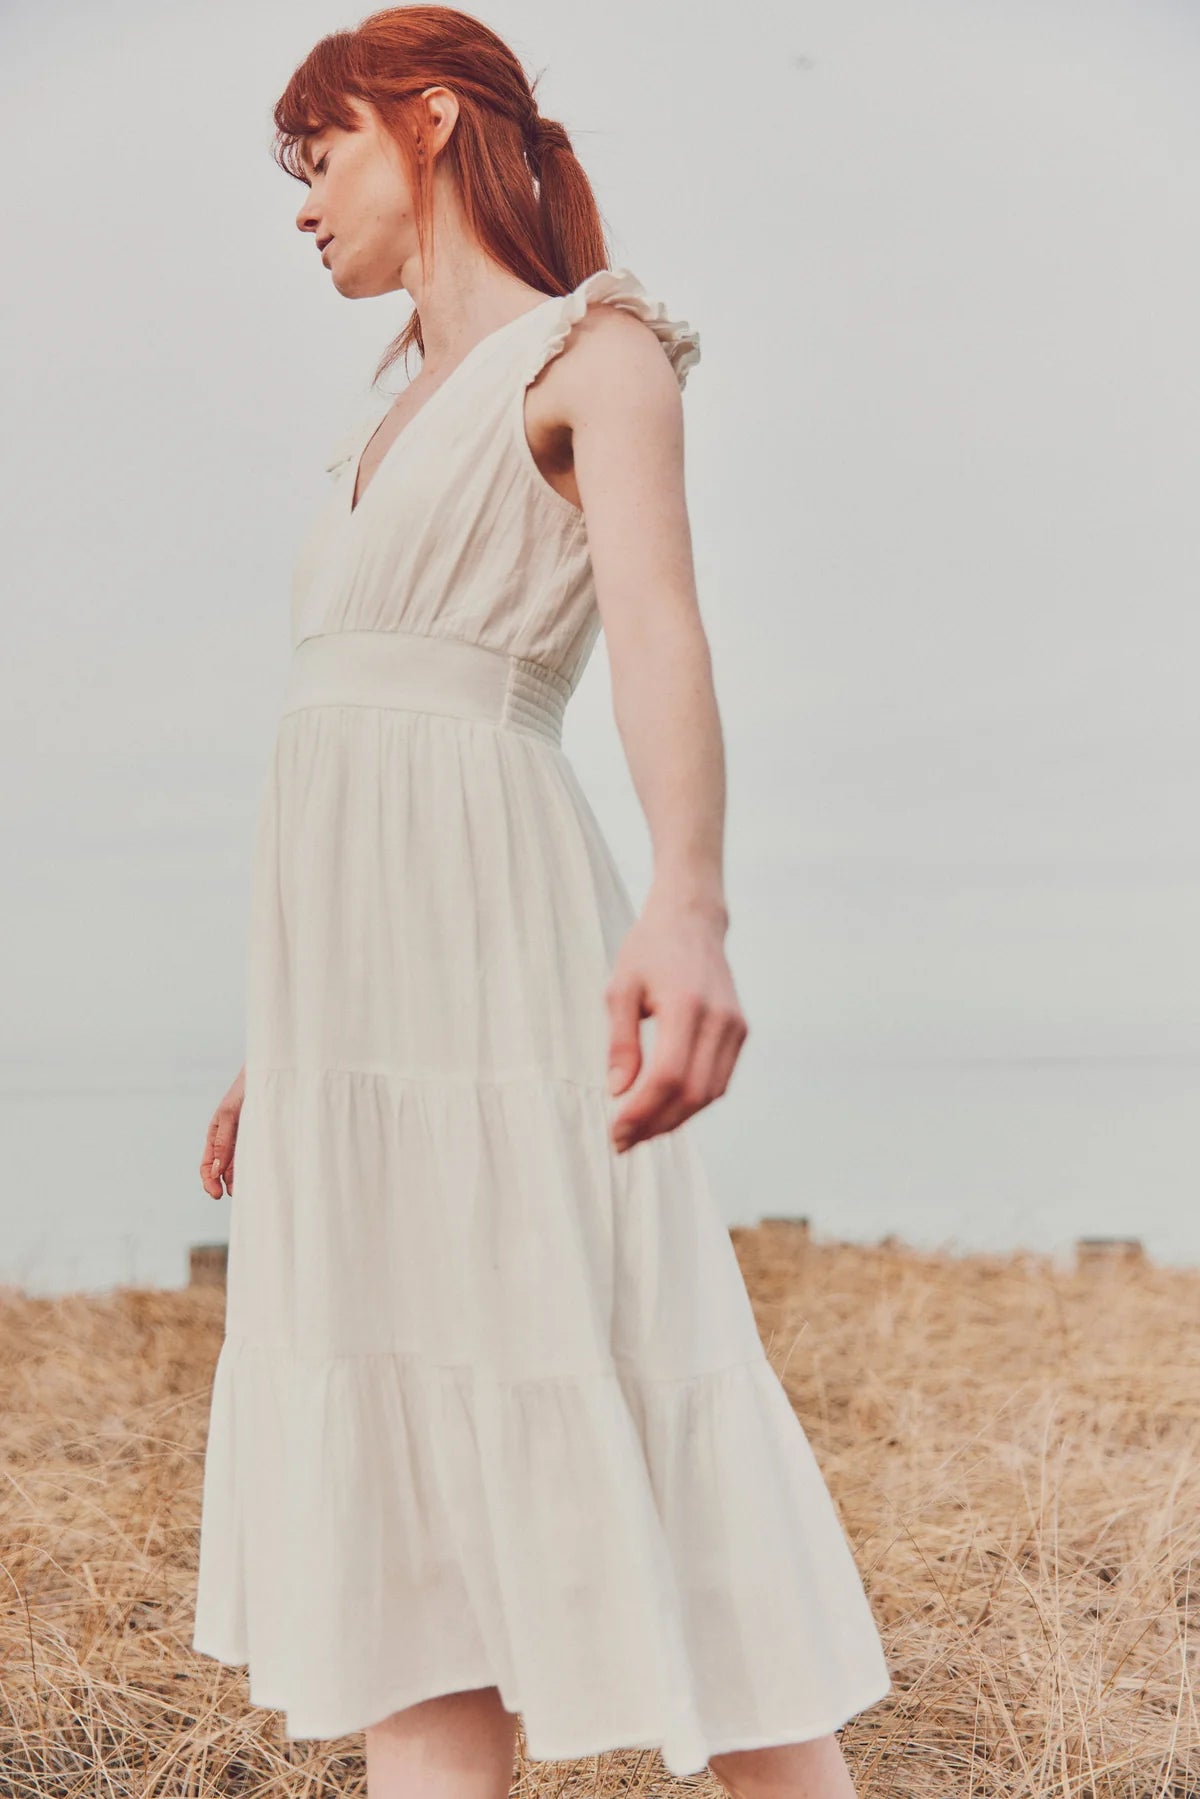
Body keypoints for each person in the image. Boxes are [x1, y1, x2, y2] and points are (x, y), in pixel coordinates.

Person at [191, 7, 892, 1796]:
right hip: (356, 1005)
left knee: (624, 1376)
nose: (301, 206)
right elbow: (348, 729)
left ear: (425, 124)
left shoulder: (600, 353)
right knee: (400, 1492)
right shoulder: (378, 418)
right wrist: (293, 1043)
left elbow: (658, 631)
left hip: (509, 947)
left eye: (321, 153)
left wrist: (690, 908)